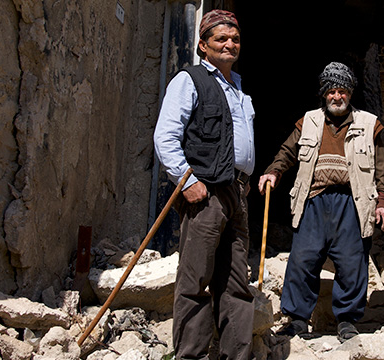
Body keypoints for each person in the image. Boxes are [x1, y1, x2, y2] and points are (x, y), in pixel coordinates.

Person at [258, 62, 384, 343]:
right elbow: (288, 151)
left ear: (350, 93)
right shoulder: (308, 121)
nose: (336, 96)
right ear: (324, 93)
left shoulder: (369, 124)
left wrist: (383, 201)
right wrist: (274, 171)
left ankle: (347, 321)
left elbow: (382, 168)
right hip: (314, 201)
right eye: (331, 91)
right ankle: (297, 320)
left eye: (342, 91)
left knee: (352, 262)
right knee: (303, 259)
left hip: (352, 203)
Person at [153, 9, 254, 360]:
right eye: (221, 39)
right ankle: (190, 356)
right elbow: (166, 136)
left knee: (236, 281)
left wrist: (245, 179)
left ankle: (235, 355)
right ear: (203, 45)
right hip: (205, 192)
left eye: (235, 39)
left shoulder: (238, 87)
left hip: (236, 192)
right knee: (195, 280)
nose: (230, 44)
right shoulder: (189, 80)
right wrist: (186, 181)